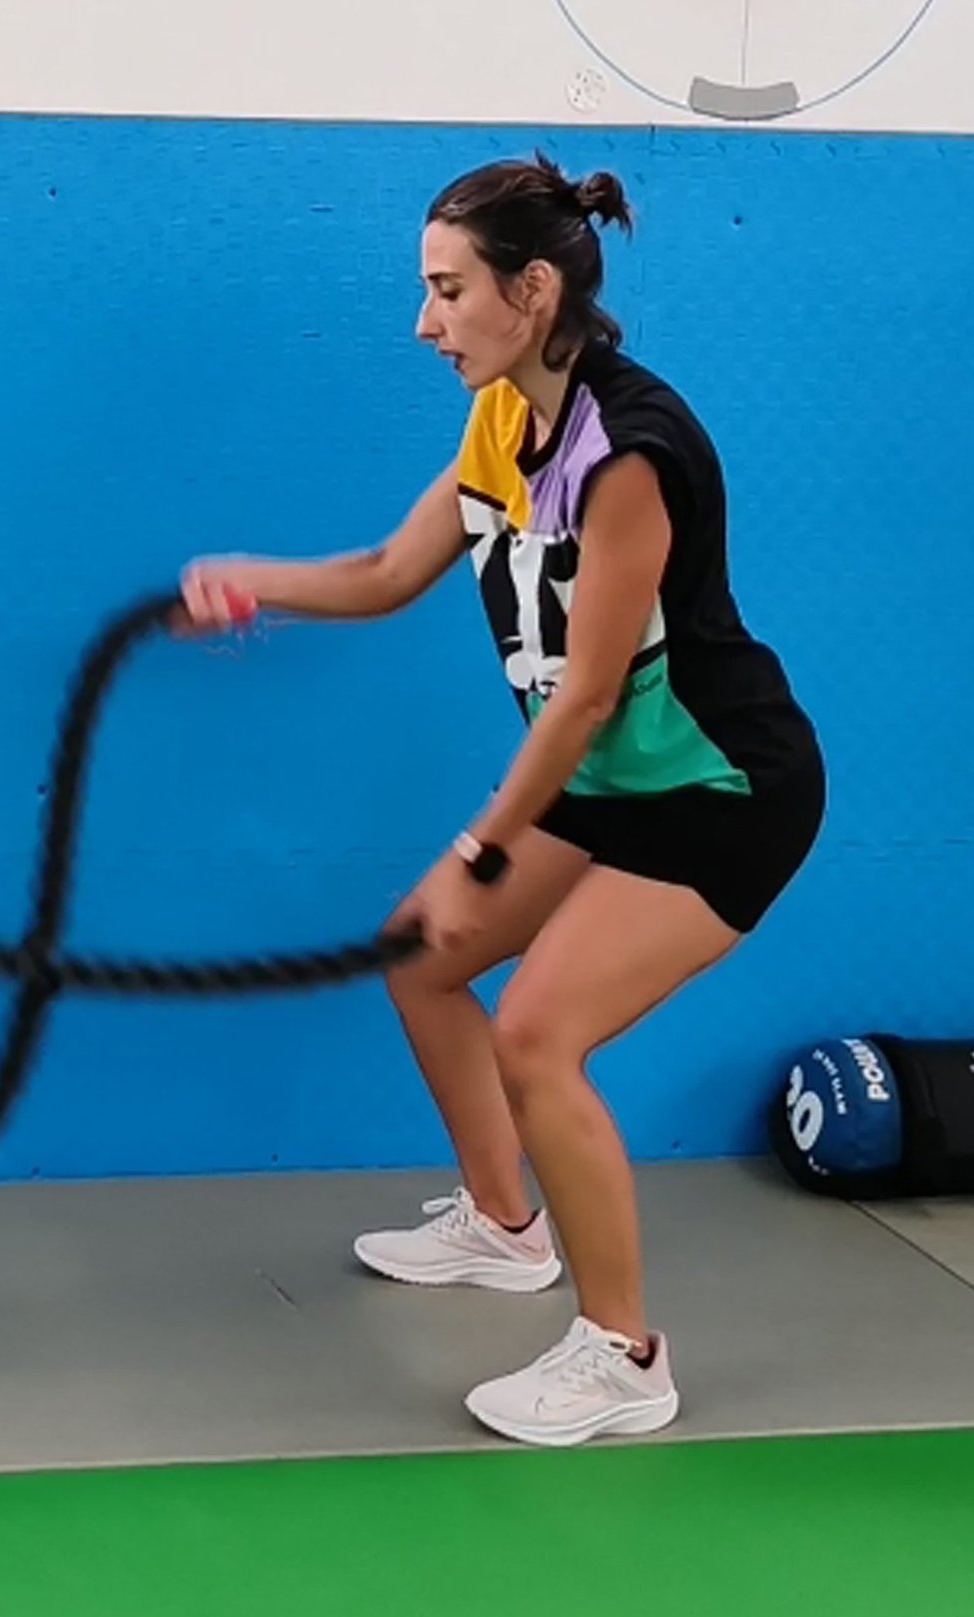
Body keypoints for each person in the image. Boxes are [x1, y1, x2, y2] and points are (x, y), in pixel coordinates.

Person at [177, 152, 825, 1448]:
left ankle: (624, 1351)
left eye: (446, 291)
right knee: (422, 954)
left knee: (536, 1033)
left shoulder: (630, 450)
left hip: (720, 790)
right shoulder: (499, 422)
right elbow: (386, 569)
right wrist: (256, 578)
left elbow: (587, 693)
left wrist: (487, 836)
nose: (426, 322)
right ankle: (505, 1225)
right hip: (603, 781)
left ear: (531, 291)